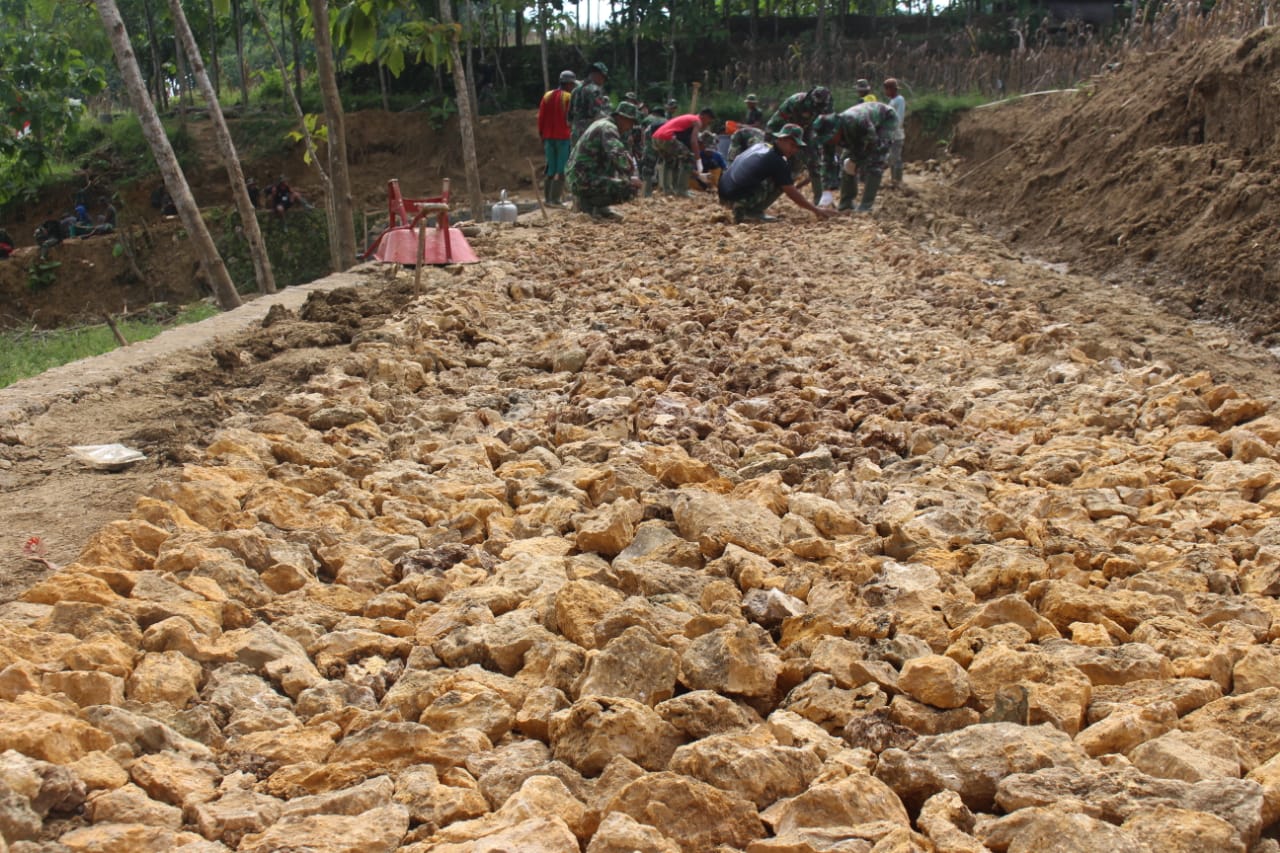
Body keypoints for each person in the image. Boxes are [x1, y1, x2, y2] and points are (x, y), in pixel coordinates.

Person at [718, 124, 839, 224]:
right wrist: (816, 210)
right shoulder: (777, 161)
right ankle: (748, 211)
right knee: (784, 180)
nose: (794, 150)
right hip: (734, 194)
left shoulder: (761, 146)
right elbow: (791, 191)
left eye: (797, 147)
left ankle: (740, 205)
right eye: (792, 145)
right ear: (781, 139)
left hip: (723, 192)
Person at [812, 101, 898, 213]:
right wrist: (826, 192)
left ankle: (866, 206)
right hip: (859, 133)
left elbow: (872, 144)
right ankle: (846, 203)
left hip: (885, 119)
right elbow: (827, 161)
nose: (830, 141)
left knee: (875, 162)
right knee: (845, 162)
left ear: (836, 129)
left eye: (830, 138)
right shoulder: (828, 136)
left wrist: (855, 160)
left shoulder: (857, 122)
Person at [566, 102, 643, 220]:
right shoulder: (608, 128)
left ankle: (598, 207)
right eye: (630, 122)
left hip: (579, 177)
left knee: (617, 177)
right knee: (629, 188)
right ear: (621, 118)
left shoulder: (603, 124)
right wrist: (631, 176)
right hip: (583, 179)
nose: (630, 127)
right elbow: (617, 153)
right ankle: (587, 206)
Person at [766, 86, 833, 203]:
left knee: (814, 162)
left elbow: (825, 125)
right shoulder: (797, 102)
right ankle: (763, 196)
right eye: (816, 105)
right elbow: (780, 124)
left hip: (805, 130)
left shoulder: (825, 104)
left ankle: (820, 201)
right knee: (777, 164)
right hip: (781, 129)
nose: (818, 108)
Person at [652, 108, 715, 197]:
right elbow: (694, 141)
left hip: (656, 138)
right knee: (688, 158)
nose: (707, 125)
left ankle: (668, 190)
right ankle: (682, 190)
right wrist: (698, 160)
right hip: (667, 137)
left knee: (669, 161)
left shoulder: (689, 119)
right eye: (709, 122)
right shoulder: (697, 121)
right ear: (704, 116)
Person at [539, 69, 577, 206]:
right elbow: (571, 117)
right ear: (568, 84)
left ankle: (547, 199)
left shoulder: (547, 96)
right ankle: (555, 200)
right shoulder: (568, 97)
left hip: (548, 137)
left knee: (550, 169)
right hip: (562, 137)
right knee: (561, 170)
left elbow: (541, 117)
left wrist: (542, 135)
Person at [569, 61, 610, 146]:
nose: (603, 81)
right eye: (603, 78)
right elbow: (598, 115)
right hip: (588, 133)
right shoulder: (594, 90)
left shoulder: (575, 89)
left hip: (575, 132)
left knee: (575, 157)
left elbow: (569, 116)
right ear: (598, 74)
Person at [884, 78, 906, 187]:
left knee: (895, 157)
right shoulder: (892, 101)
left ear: (892, 89)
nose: (885, 92)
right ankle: (894, 180)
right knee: (892, 157)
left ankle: (898, 180)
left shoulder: (899, 100)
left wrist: (893, 128)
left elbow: (899, 117)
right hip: (891, 134)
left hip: (896, 134)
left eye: (887, 90)